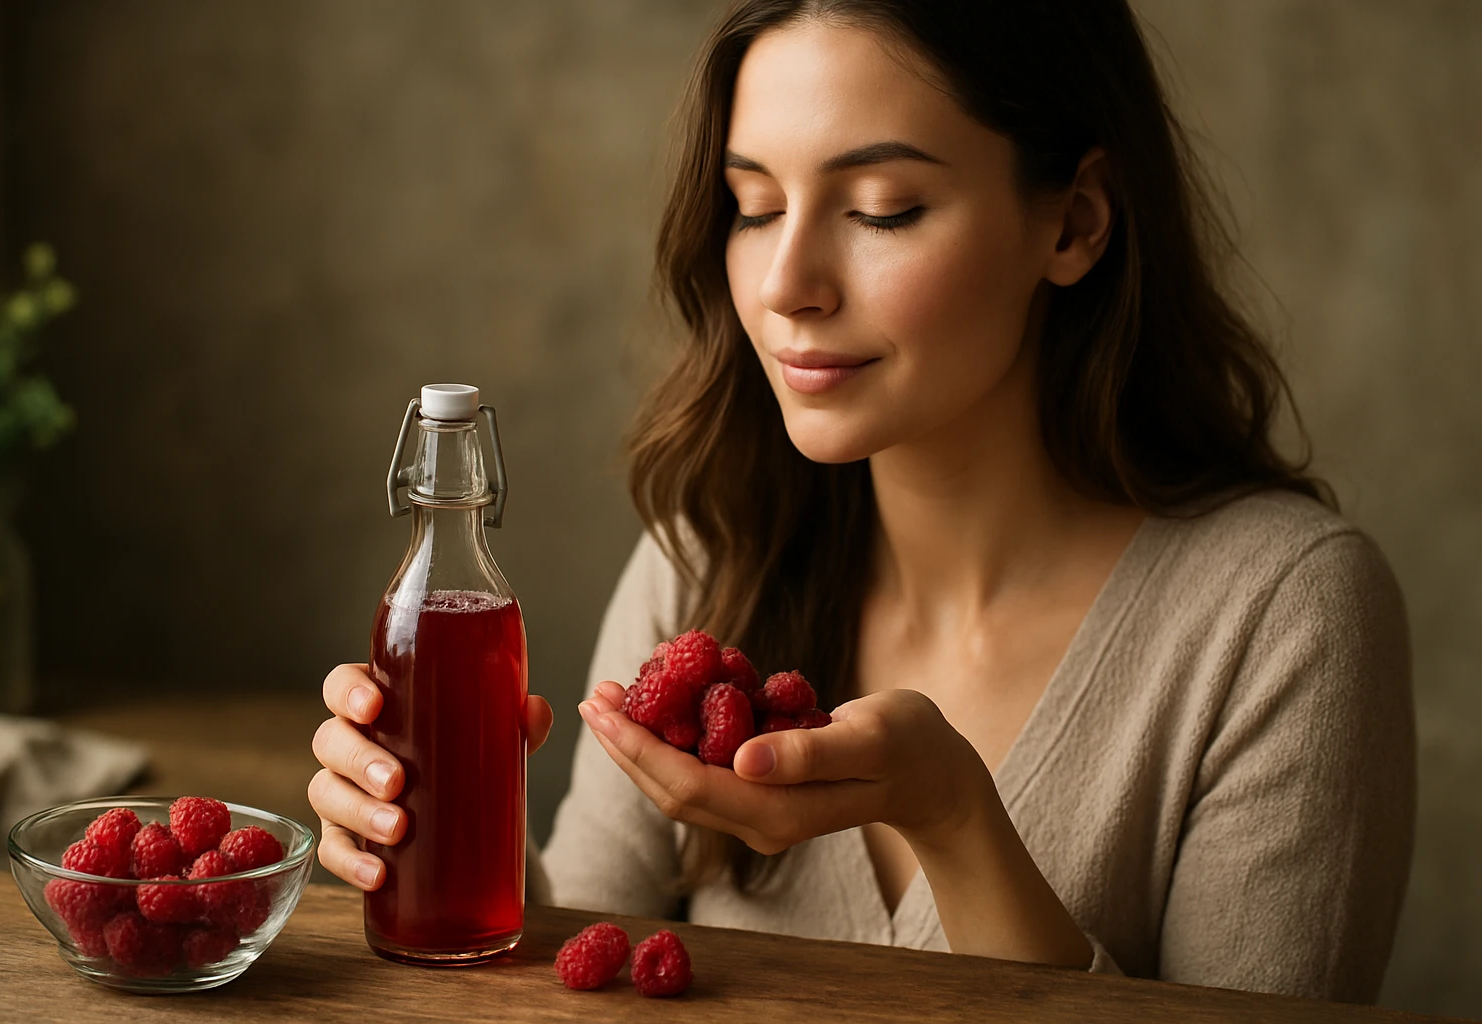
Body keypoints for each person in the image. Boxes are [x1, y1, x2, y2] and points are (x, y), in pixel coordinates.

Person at [309, 0, 1415, 1003]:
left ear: (1074, 223)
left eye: (882, 210)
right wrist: (449, 827)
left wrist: (952, 819)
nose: (788, 282)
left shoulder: (1287, 616)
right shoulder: (707, 552)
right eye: (752, 206)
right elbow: (587, 959)